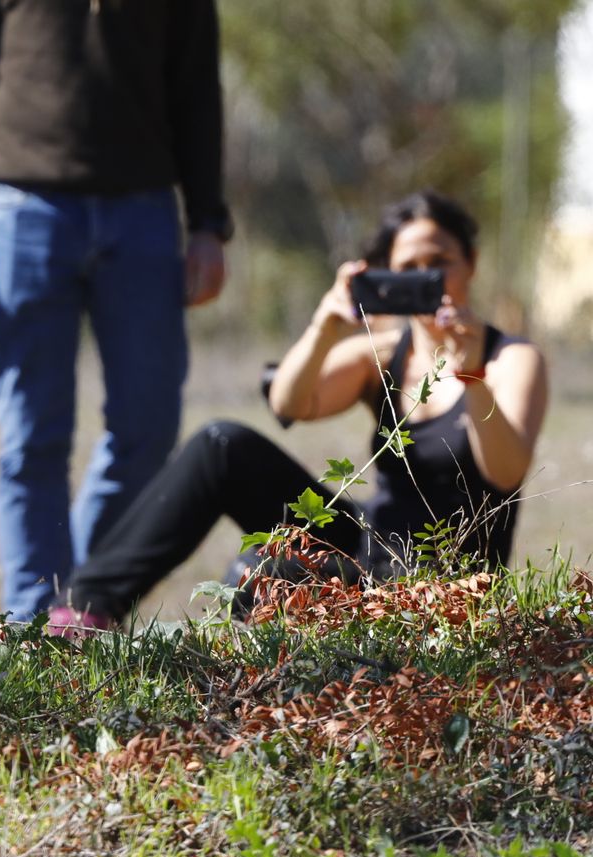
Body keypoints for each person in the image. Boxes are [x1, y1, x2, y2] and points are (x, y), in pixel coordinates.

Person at [48, 190, 551, 636]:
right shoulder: (380, 353)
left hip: (445, 585)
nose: (426, 278)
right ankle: (83, 613)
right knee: (223, 444)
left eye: (440, 262)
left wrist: (470, 375)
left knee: (267, 567)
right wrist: (326, 325)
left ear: (472, 263)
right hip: (368, 551)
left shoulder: (511, 360)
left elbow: (505, 471)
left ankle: (235, 676)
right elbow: (289, 402)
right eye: (408, 268)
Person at [0, 0, 232, 622]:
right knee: (32, 435)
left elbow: (197, 90)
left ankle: (77, 600)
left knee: (149, 428)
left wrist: (207, 224)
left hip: (143, 215)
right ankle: (36, 620)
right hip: (26, 210)